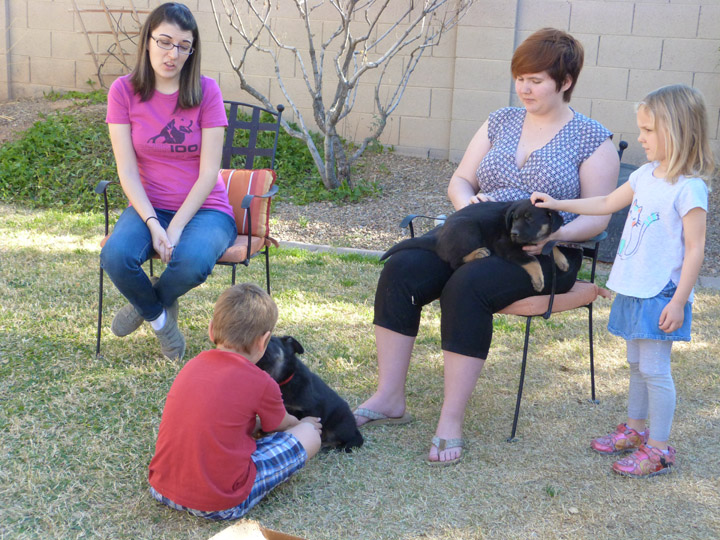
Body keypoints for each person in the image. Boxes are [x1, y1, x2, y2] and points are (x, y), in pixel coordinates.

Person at [353, 27, 620, 465]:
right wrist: (464, 203)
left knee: (469, 285)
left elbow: (598, 216)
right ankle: (388, 397)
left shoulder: (592, 140)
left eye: (536, 79)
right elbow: (461, 179)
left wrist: (553, 234)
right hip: (476, 231)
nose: (525, 88)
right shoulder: (501, 120)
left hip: (546, 251)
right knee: (401, 270)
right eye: (520, 78)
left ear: (566, 81)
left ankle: (451, 418)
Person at [532, 84, 714, 478]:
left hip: (660, 292)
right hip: (634, 286)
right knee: (635, 364)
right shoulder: (647, 174)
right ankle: (635, 430)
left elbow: (695, 249)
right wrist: (557, 205)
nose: (642, 138)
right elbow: (604, 204)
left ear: (678, 130)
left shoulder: (690, 188)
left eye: (649, 130)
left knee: (654, 369)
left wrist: (679, 301)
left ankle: (660, 449)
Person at [101, 2, 237, 360]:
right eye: (164, 41)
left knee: (191, 262)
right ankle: (162, 321)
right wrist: (151, 222)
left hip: (206, 210)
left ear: (192, 50)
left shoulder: (207, 92)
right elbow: (127, 171)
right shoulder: (123, 91)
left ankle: (149, 301)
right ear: (147, 40)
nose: (172, 53)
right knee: (115, 255)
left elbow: (210, 172)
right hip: (149, 205)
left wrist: (174, 228)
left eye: (183, 45)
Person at [148, 283, 322, 519]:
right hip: (221, 503)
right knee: (309, 435)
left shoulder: (192, 365)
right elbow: (281, 425)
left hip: (160, 488)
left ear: (211, 330)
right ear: (264, 341)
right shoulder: (262, 382)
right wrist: (305, 424)